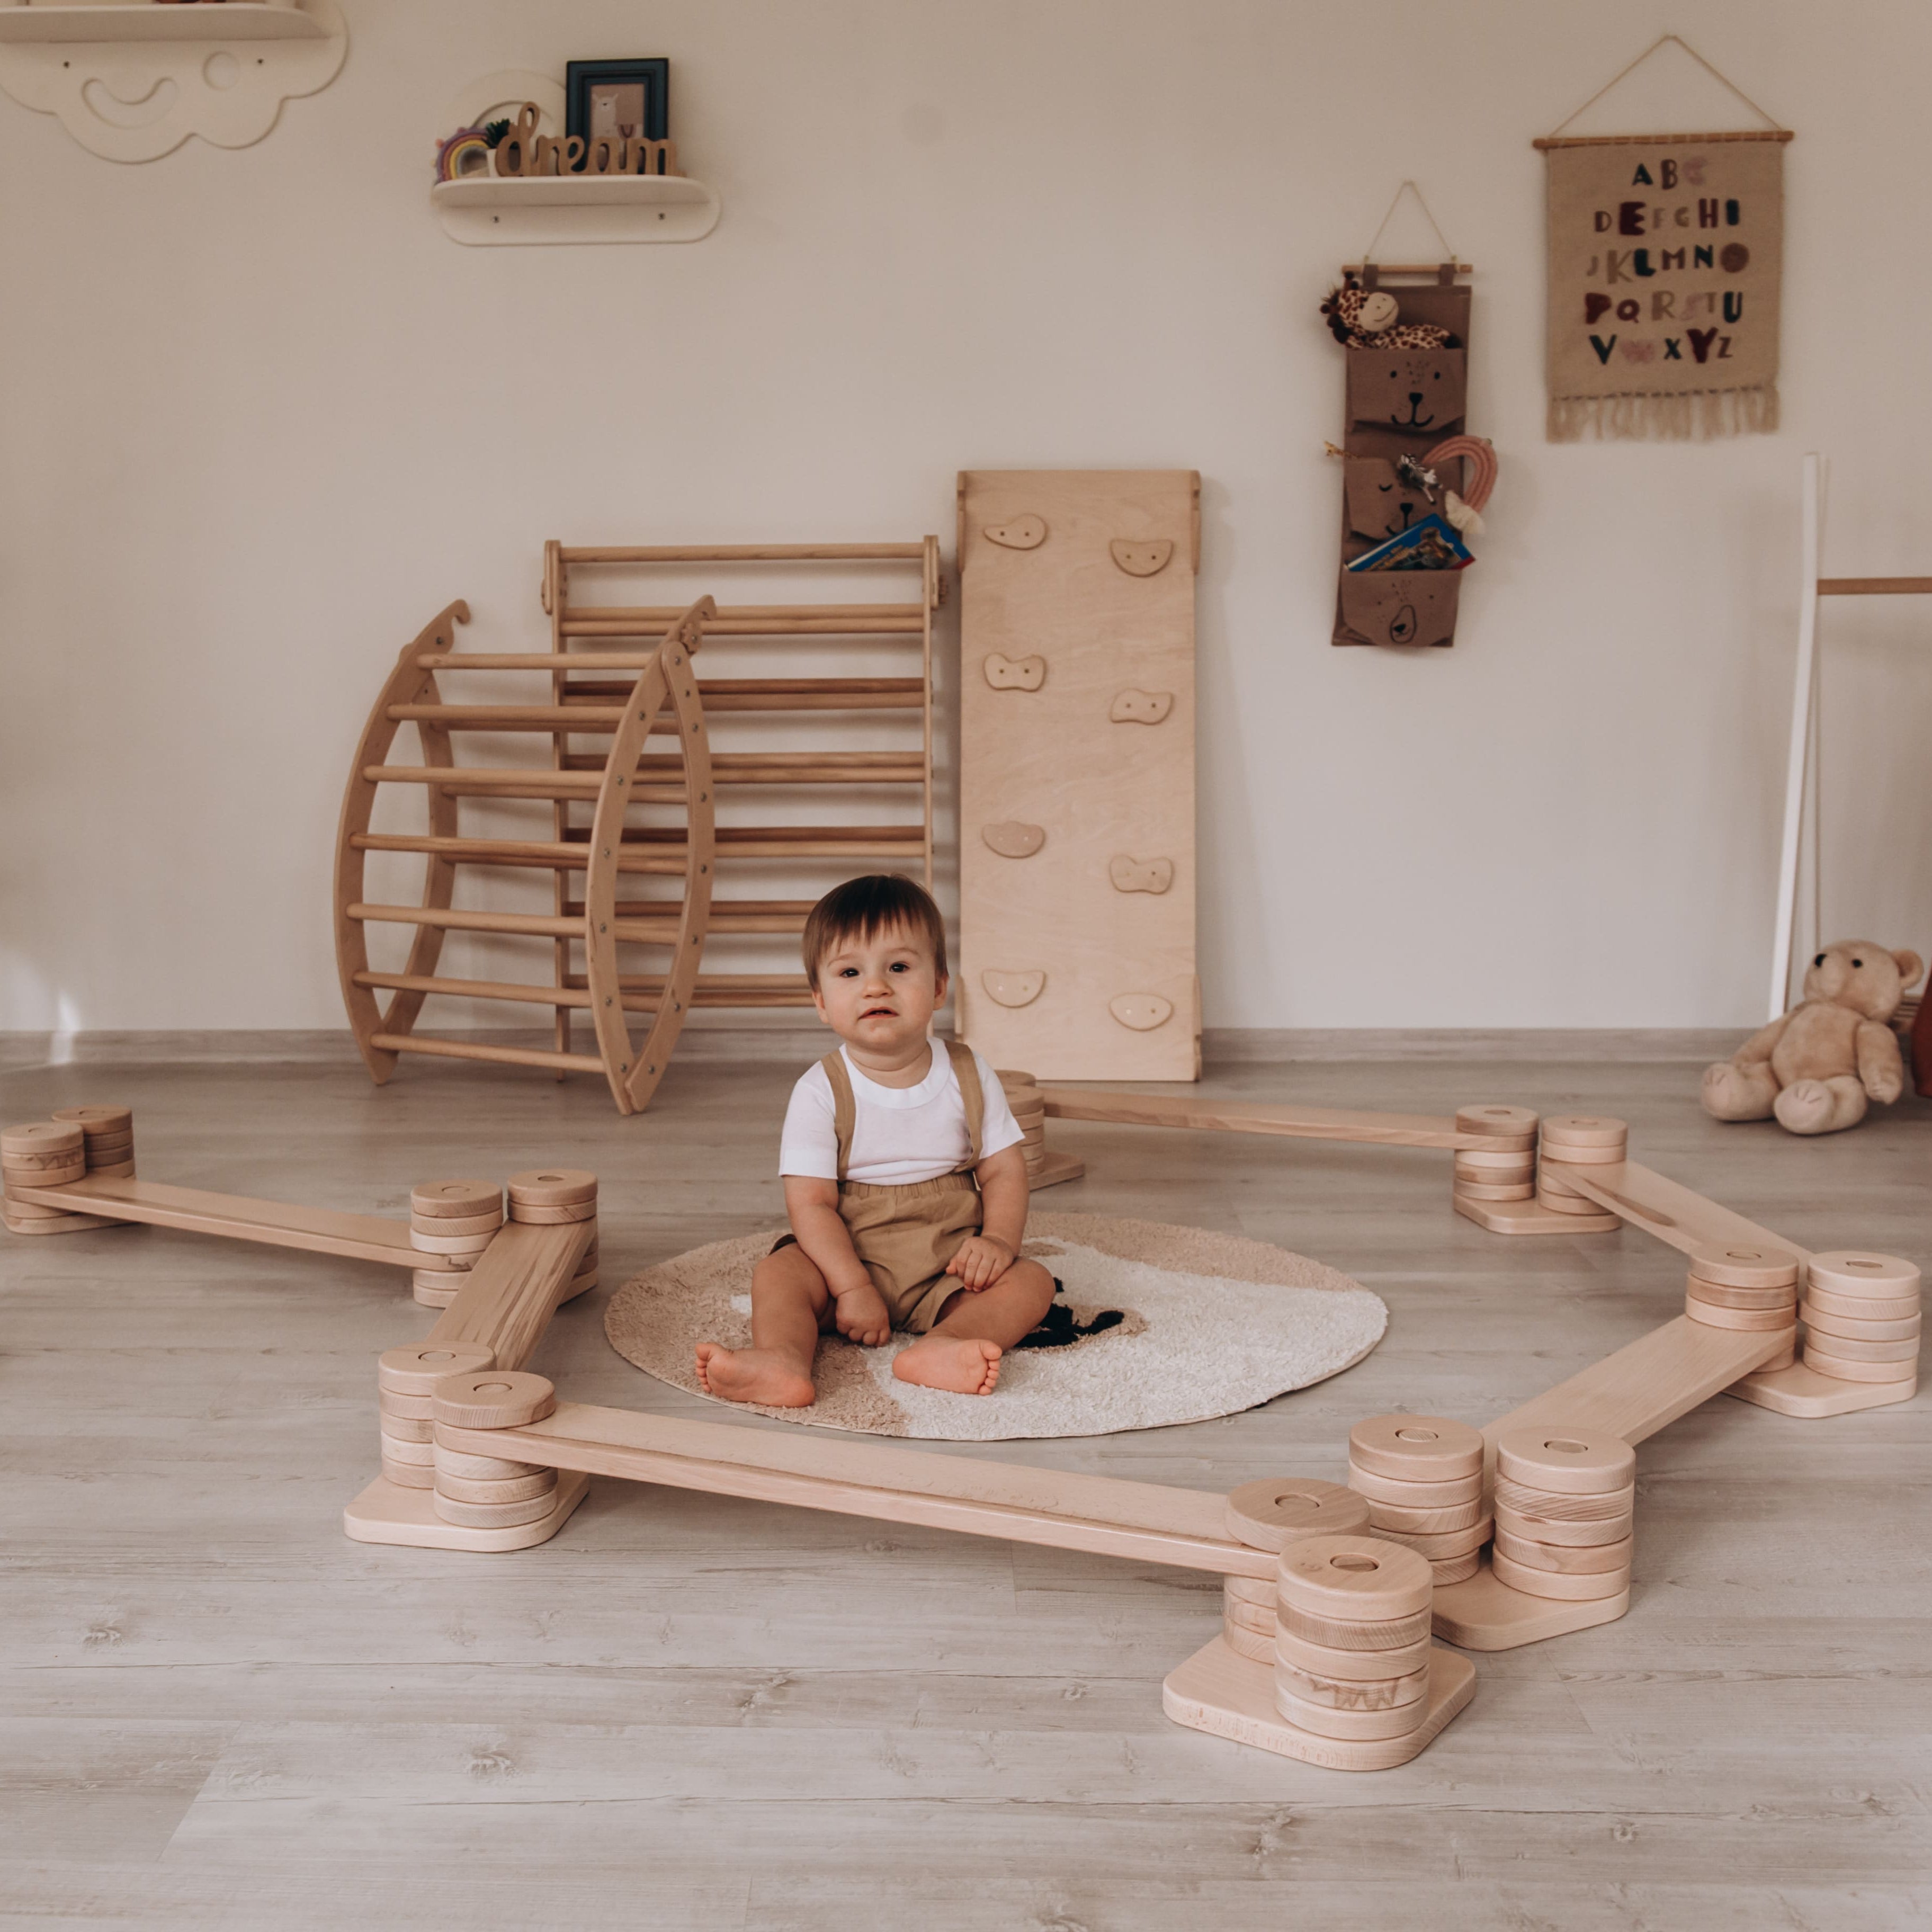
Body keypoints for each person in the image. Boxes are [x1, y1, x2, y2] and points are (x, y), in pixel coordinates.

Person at [695, 874, 1055, 1405]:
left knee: (1032, 1283)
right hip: (846, 1251)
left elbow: (1003, 1169)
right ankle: (782, 1360)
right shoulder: (819, 1091)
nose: (876, 987)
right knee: (779, 1275)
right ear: (821, 1000)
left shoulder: (969, 1072)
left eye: (900, 968)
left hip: (948, 1259)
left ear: (938, 987)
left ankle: (946, 1343)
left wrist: (998, 1243)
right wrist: (851, 1287)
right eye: (849, 972)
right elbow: (812, 1205)